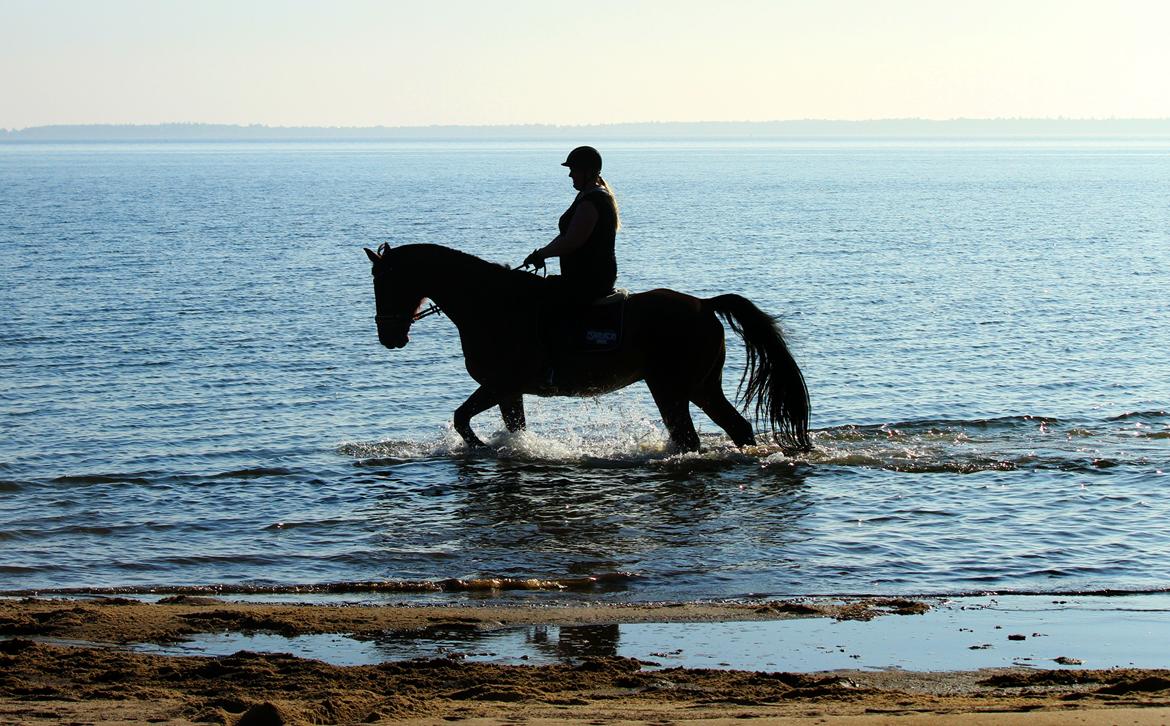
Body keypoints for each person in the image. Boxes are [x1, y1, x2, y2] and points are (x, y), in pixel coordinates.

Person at [523, 146, 620, 304]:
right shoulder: (587, 195)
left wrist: (541, 255)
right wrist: (540, 253)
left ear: (587, 173)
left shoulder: (591, 202)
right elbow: (565, 236)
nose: (570, 174)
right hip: (584, 275)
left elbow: (570, 243)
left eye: (574, 170)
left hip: (589, 279)